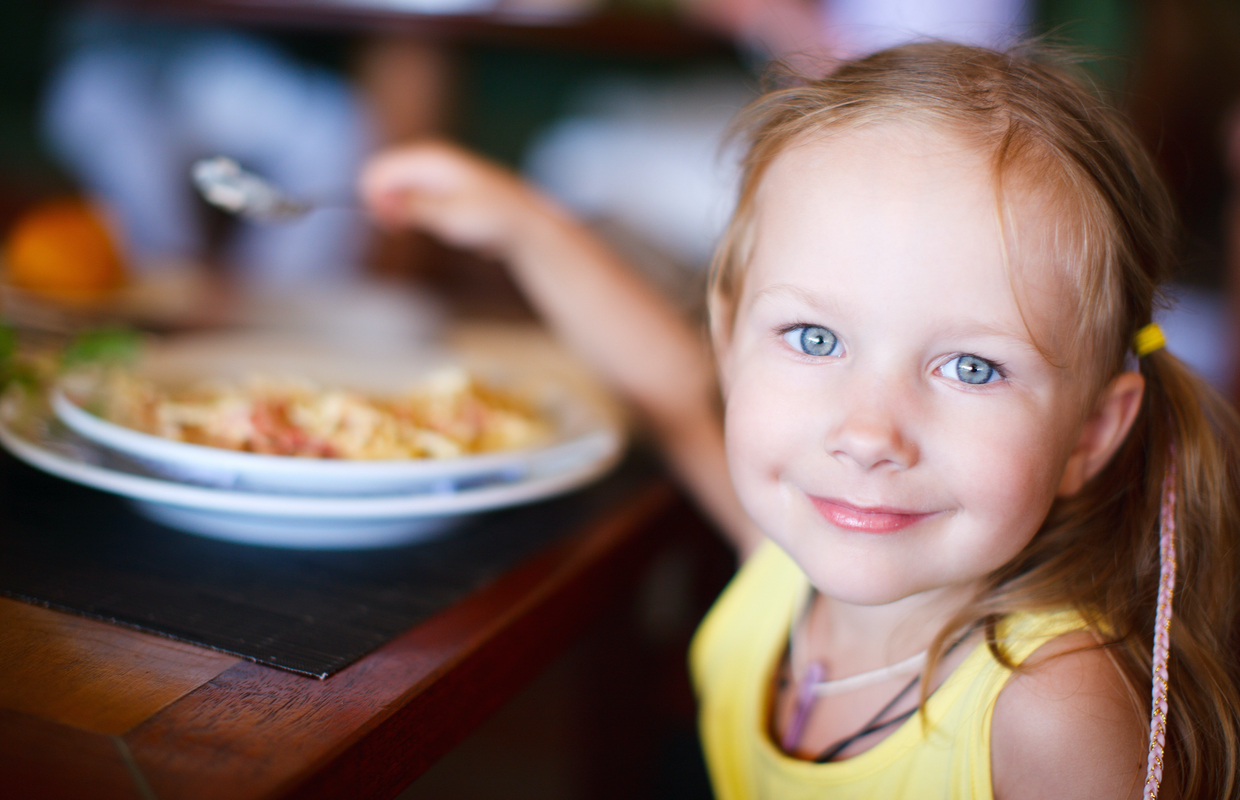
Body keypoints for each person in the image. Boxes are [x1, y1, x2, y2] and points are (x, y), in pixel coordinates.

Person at [359, 42, 1240, 799]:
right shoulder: (779, 571)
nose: (867, 433)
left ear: (1091, 433)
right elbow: (668, 385)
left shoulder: (1053, 712)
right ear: (730, 340)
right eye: (814, 337)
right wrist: (521, 225)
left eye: (971, 367)